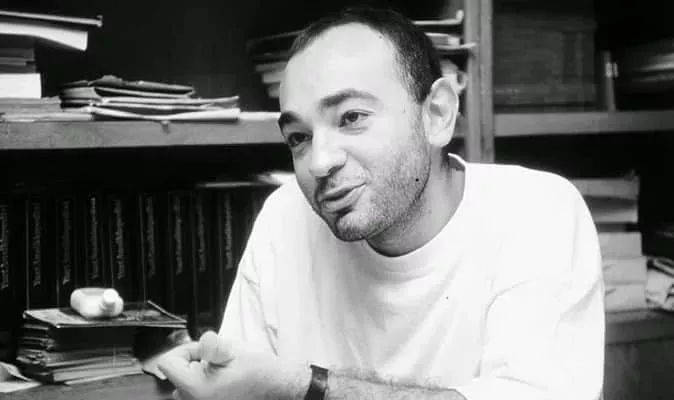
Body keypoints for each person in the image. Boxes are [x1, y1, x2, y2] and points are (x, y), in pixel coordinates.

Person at [157, 6, 605, 400]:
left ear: (437, 115)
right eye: (298, 137)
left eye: (351, 117)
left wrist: (302, 387)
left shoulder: (536, 213)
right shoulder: (284, 216)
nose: (319, 162)